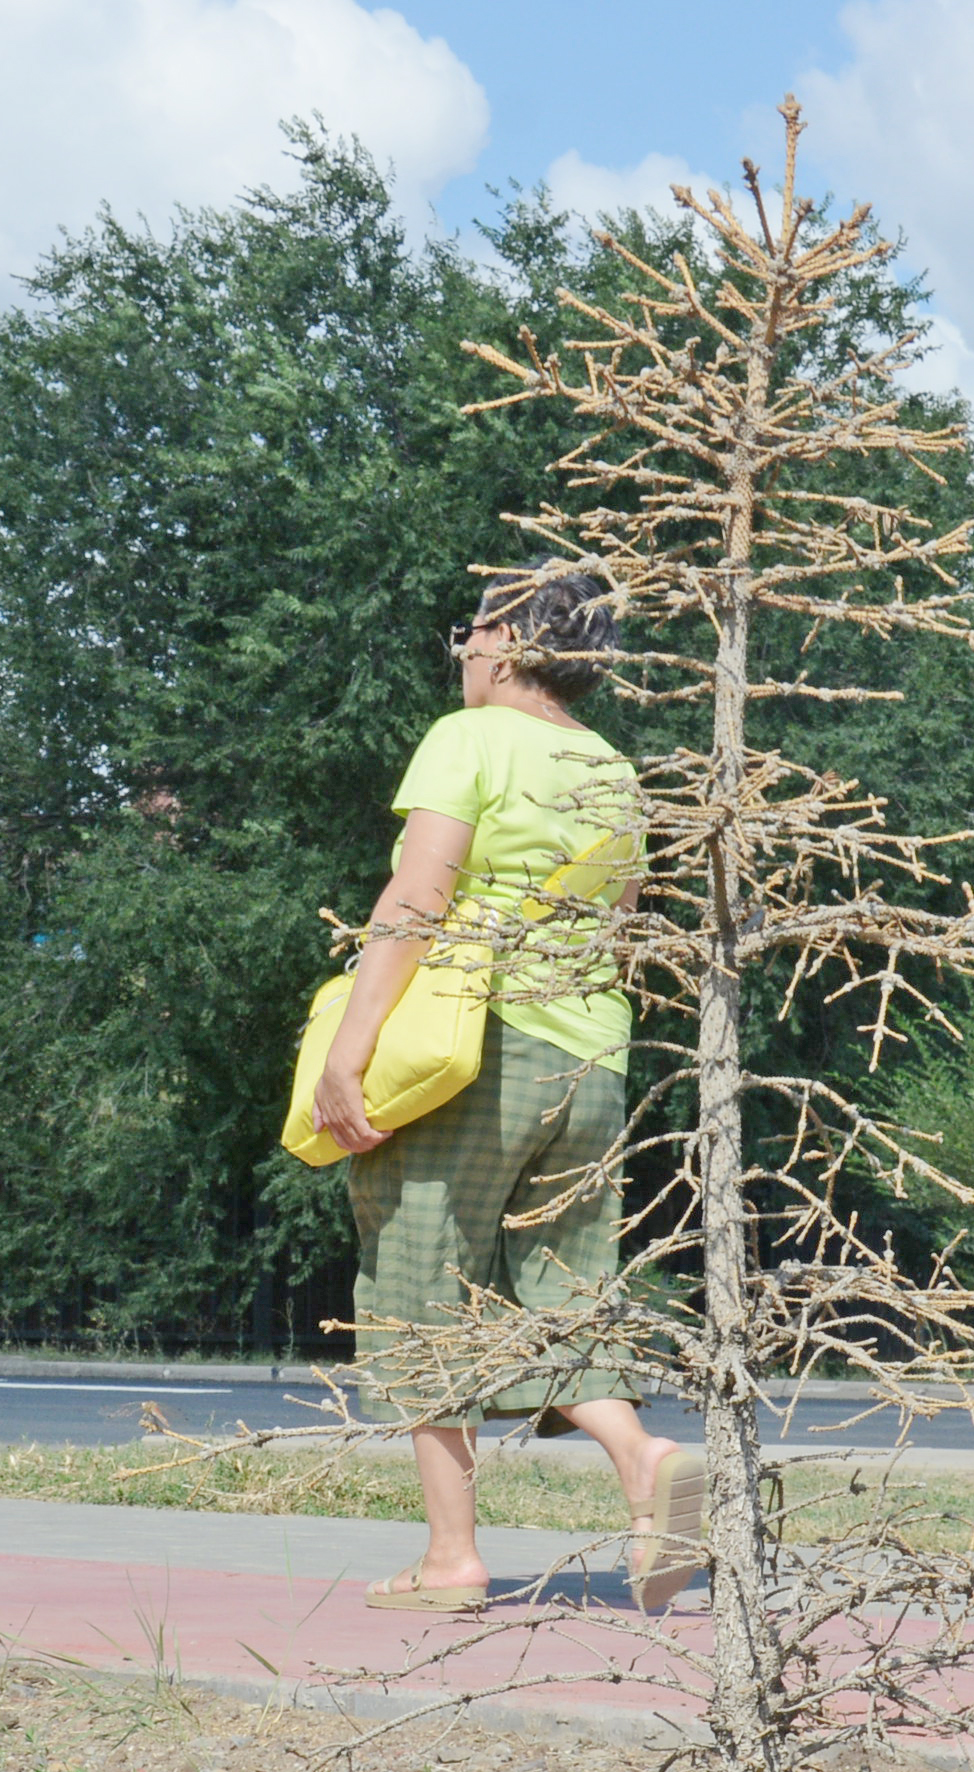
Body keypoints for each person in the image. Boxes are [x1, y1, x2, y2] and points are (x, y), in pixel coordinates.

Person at [314, 564, 702, 1613]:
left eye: (471, 631)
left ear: (514, 642)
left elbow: (418, 892)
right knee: (559, 1288)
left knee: (415, 1288)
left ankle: (450, 1559)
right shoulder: (613, 770)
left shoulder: (468, 740)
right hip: (589, 1062)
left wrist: (349, 1048)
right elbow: (622, 920)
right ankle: (646, 1462)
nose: (462, 651)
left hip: (475, 1050)